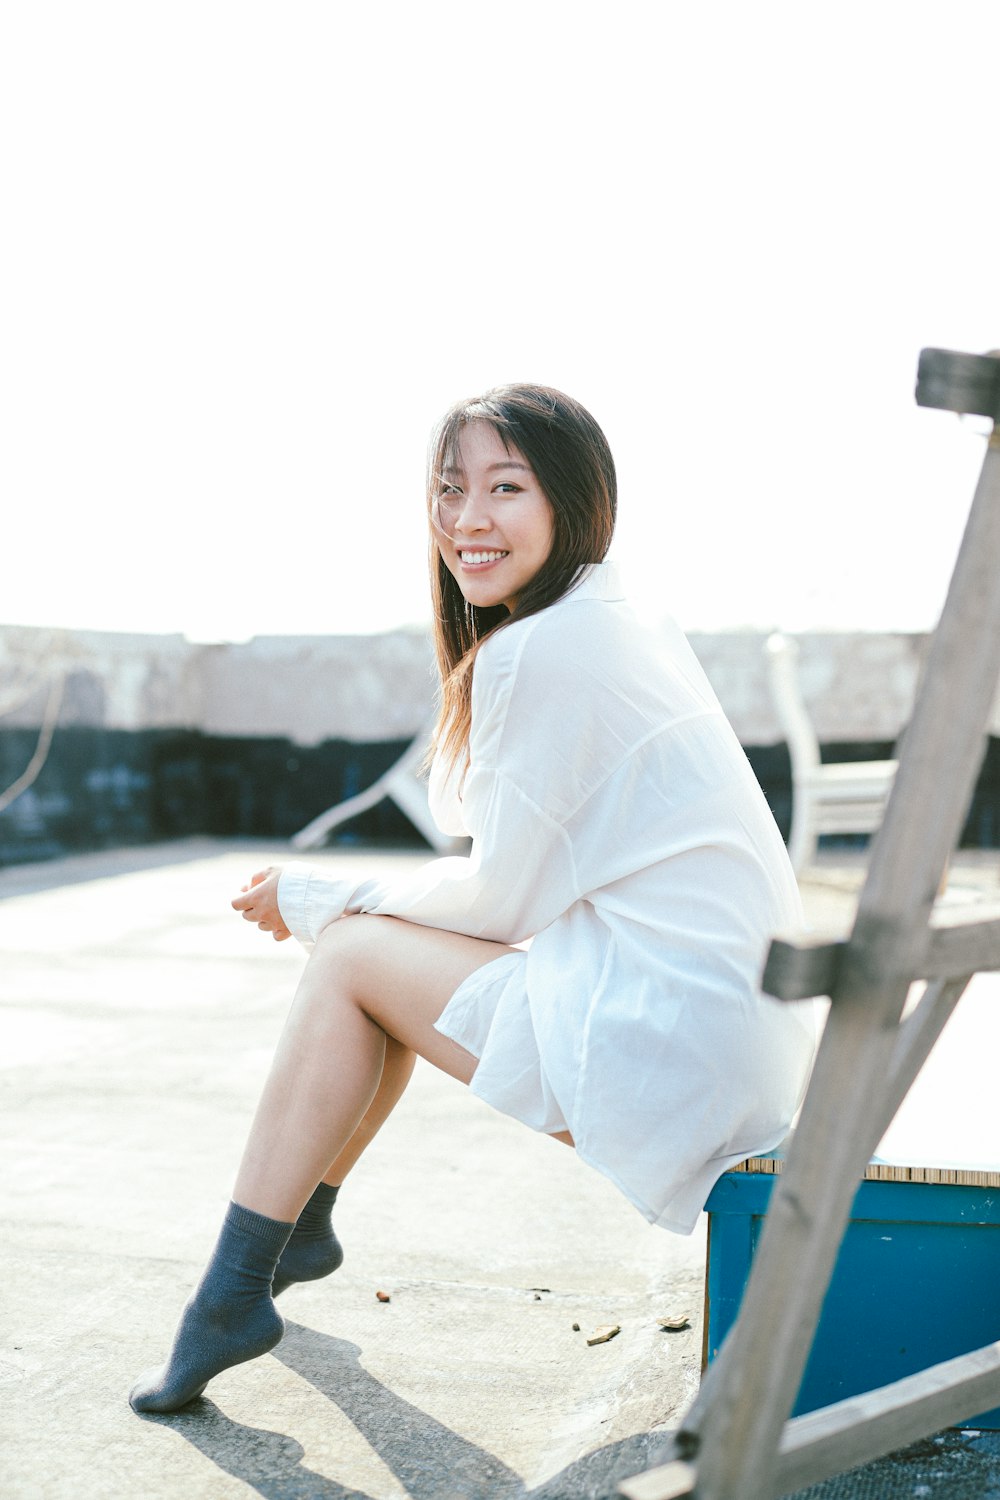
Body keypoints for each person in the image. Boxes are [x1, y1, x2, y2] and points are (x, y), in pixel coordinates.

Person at [129, 384, 820, 1414]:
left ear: (574, 500)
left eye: (505, 486)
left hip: (681, 1044)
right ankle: (295, 1231)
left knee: (352, 953)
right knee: (376, 947)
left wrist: (311, 893)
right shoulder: (613, 616)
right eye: (449, 489)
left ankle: (237, 1285)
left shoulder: (545, 646)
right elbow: (502, 878)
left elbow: (497, 902)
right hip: (730, 1031)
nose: (466, 520)